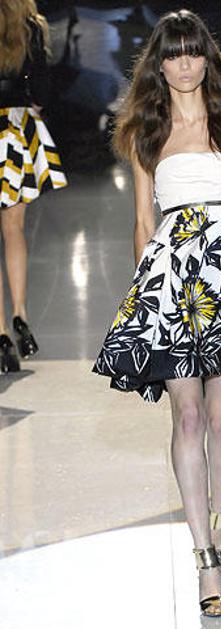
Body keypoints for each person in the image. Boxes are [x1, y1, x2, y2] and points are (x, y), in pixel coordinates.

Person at [93, 9, 221, 617]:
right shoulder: (145, 127)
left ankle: (220, 536)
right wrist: (145, 299)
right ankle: (205, 560)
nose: (184, 64)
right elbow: (142, 221)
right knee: (187, 417)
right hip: (173, 279)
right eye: (173, 53)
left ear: (207, 56)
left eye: (193, 51)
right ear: (159, 62)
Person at [0, 0, 67, 373]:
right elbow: (41, 88)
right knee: (14, 229)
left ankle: (0, 334)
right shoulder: (31, 24)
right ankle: (20, 314)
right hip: (18, 128)